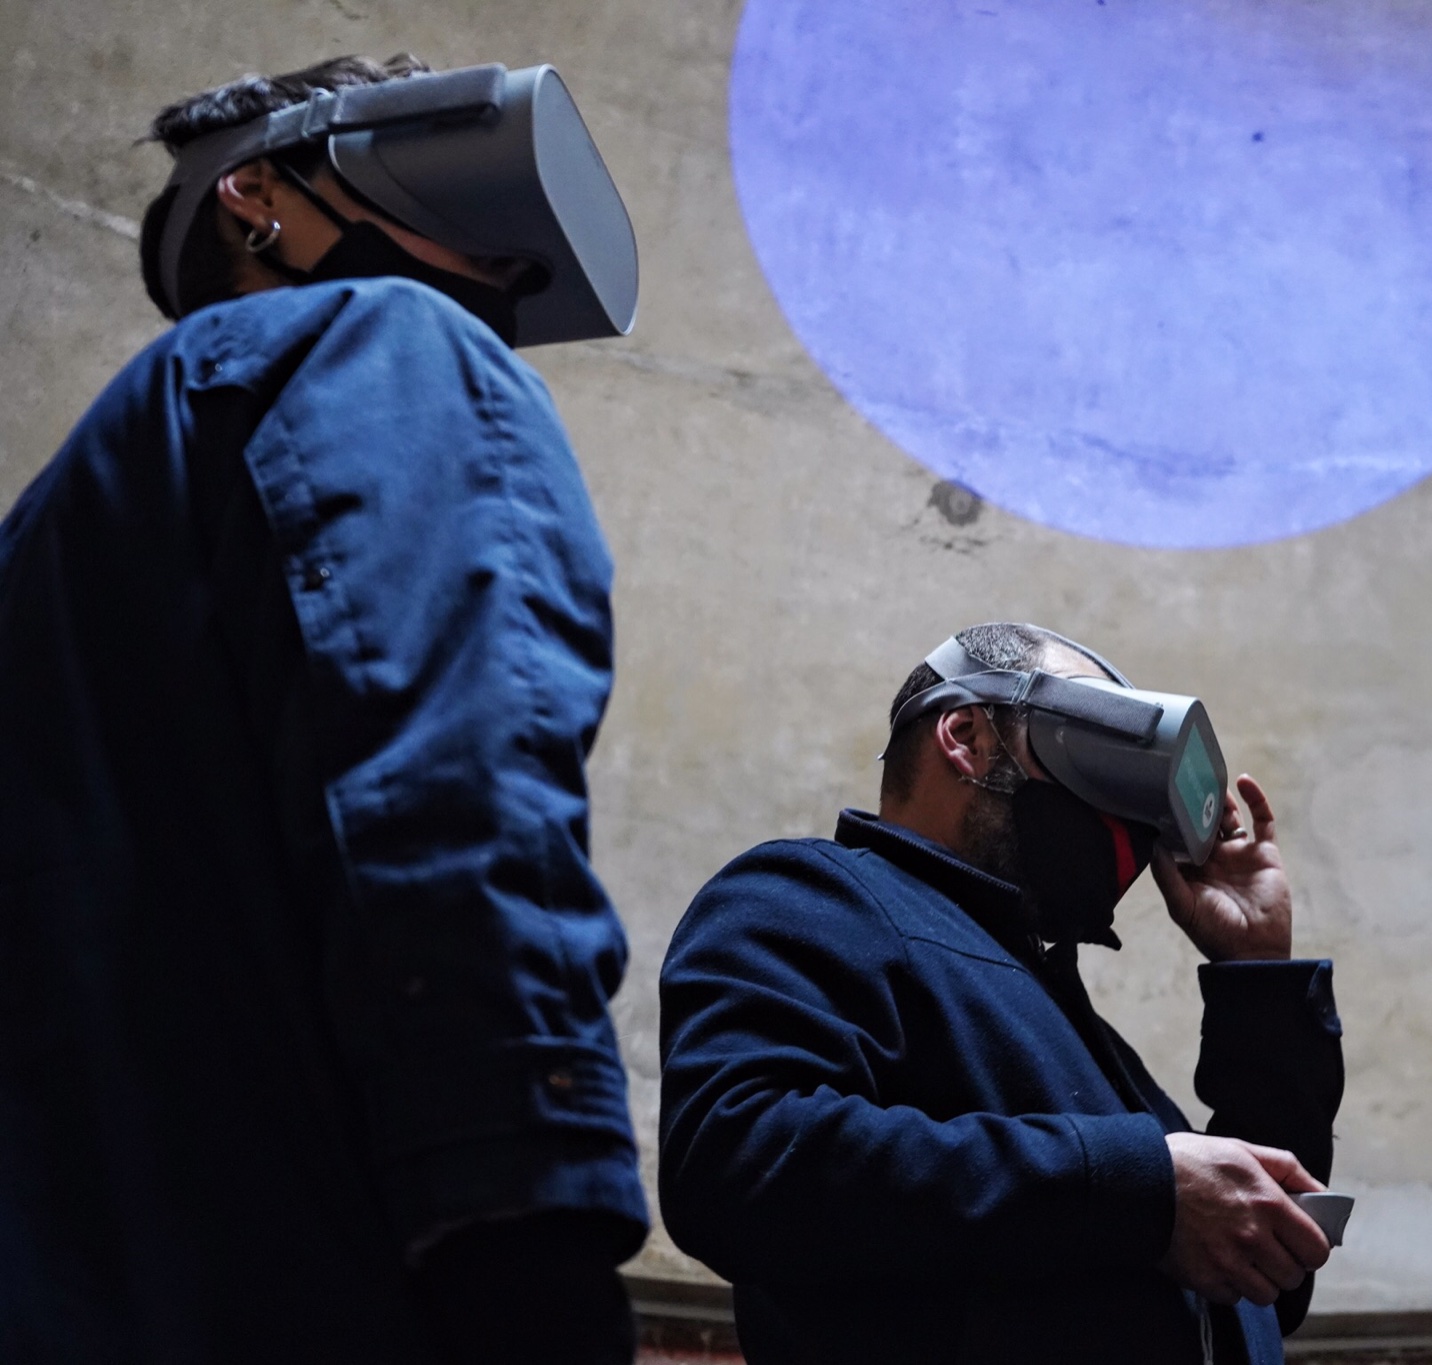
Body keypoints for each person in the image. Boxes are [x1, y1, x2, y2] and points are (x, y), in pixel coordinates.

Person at [0, 55, 645, 1363]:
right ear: (257, 194)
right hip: (292, 1278)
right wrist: (526, 1216)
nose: (501, 264)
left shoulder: (71, 513)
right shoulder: (382, 339)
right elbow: (448, 785)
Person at [658, 622, 1347, 1365]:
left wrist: (1256, 974)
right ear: (966, 737)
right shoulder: (816, 897)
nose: (1123, 817)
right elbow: (734, 1157)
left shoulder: (1090, 1047)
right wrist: (1142, 1191)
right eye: (1096, 751)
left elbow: (1267, 1277)